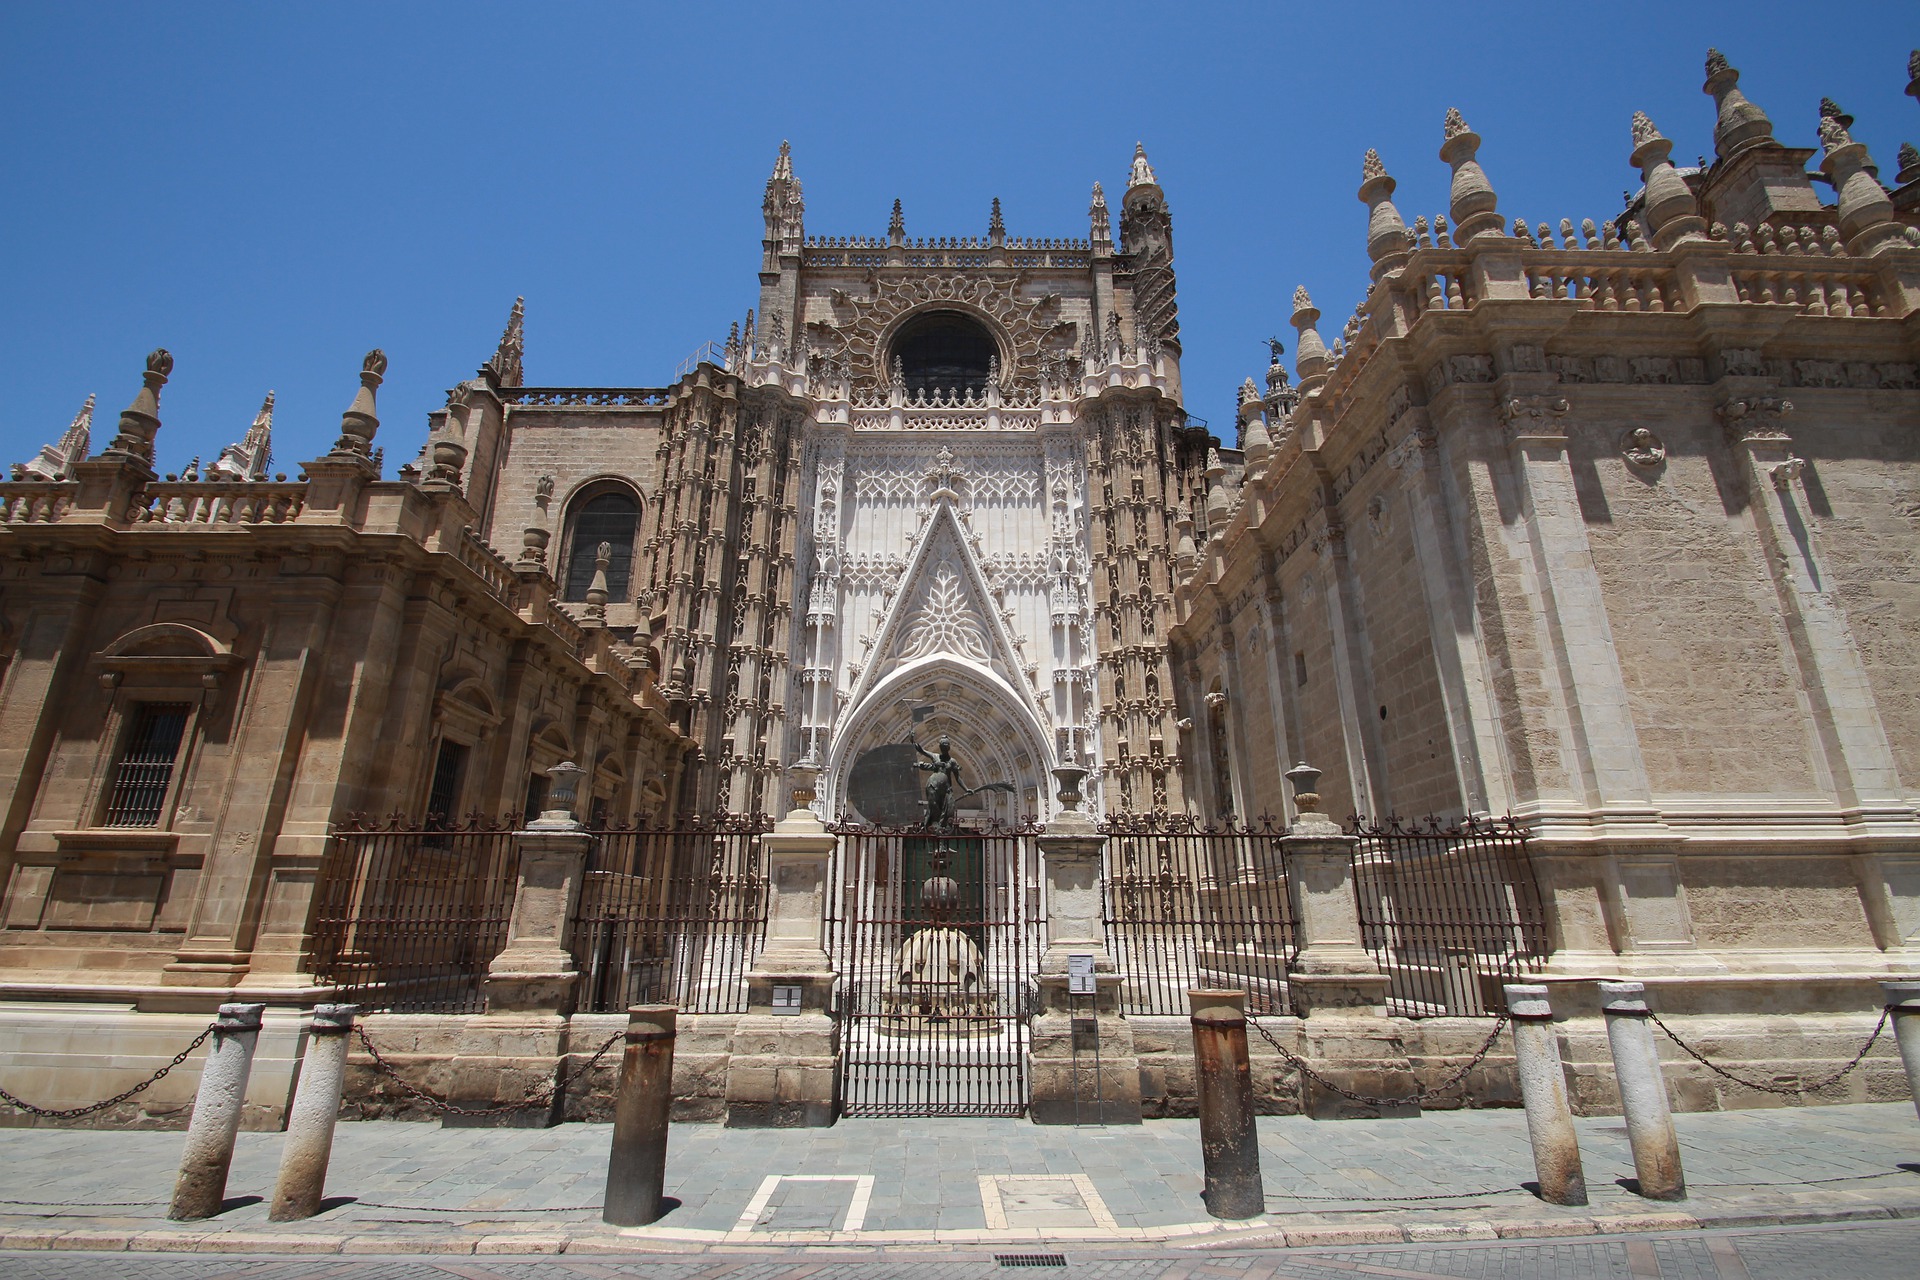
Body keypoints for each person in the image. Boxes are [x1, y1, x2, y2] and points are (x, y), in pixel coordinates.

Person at [909, 734, 963, 831]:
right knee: (933, 806)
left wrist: (967, 789)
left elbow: (958, 778)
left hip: (946, 790)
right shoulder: (935, 756)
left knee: (948, 811)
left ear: (949, 747)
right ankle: (934, 825)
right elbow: (921, 750)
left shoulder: (952, 761)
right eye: (942, 746)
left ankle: (942, 829)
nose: (943, 748)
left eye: (945, 745)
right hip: (932, 786)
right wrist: (913, 741)